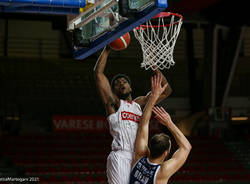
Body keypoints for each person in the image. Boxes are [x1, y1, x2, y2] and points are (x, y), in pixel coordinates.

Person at [93, 46, 172, 184]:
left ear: (131, 87)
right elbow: (98, 74)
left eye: (124, 81)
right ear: (113, 91)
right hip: (121, 156)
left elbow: (166, 91)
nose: (121, 83)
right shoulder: (114, 104)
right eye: (117, 84)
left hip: (140, 157)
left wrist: (153, 66)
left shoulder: (139, 105)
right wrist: (107, 49)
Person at [130, 73, 192, 184]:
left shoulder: (139, 156)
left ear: (149, 147)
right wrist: (169, 123)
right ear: (165, 153)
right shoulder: (162, 172)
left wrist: (153, 97)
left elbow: (143, 123)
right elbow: (186, 147)